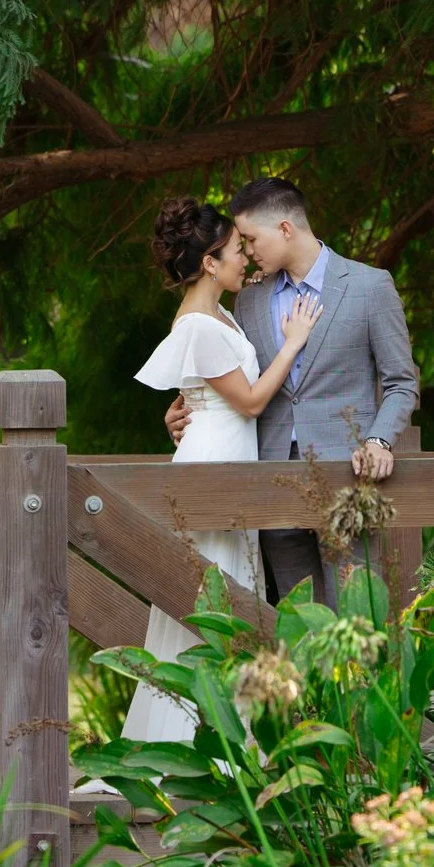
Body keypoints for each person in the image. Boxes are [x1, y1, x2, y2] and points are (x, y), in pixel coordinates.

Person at [163, 175, 419, 608]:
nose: (246, 250)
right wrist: (188, 413)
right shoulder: (250, 301)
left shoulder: (369, 287)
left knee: (357, 622)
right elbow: (233, 380)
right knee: (297, 628)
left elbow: (401, 383)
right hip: (271, 482)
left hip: (349, 482)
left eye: (250, 238)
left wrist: (378, 440)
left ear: (284, 229)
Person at [123, 196, 323, 741]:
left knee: (230, 596)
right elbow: (252, 401)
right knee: (209, 601)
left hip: (225, 455)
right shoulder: (200, 325)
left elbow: (206, 392)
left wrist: (179, 412)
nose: (245, 259)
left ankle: (226, 738)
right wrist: (294, 343)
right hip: (213, 468)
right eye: (236, 250)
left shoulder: (218, 315)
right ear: (209, 262)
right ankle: (193, 741)